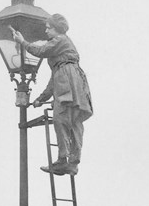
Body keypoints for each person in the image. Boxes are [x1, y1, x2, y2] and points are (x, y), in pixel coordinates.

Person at [13, 15, 93, 175]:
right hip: (75, 83)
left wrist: (23, 42)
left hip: (69, 84)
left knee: (61, 118)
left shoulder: (60, 40)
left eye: (49, 27)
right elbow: (54, 80)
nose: (46, 30)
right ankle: (72, 162)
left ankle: (63, 160)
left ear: (57, 28)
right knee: (74, 122)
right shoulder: (62, 61)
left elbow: (41, 51)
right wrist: (41, 99)